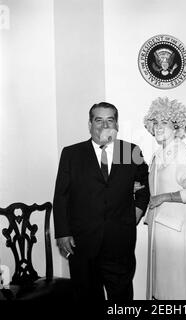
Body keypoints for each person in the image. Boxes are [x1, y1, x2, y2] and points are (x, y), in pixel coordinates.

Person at [53, 102, 150, 301]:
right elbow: (61, 196)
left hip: (119, 243)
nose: (104, 125)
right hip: (82, 243)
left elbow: (144, 189)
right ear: (90, 124)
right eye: (98, 120)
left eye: (110, 120)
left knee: (122, 298)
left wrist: (135, 214)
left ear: (117, 124)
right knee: (87, 296)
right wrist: (62, 232)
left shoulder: (129, 151)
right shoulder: (72, 154)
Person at [143, 97, 186, 300]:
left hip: (175, 233)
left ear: (176, 126)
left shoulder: (182, 153)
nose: (159, 127)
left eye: (165, 123)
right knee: (160, 291)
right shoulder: (158, 155)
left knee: (176, 291)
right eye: (156, 122)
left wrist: (165, 197)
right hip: (158, 232)